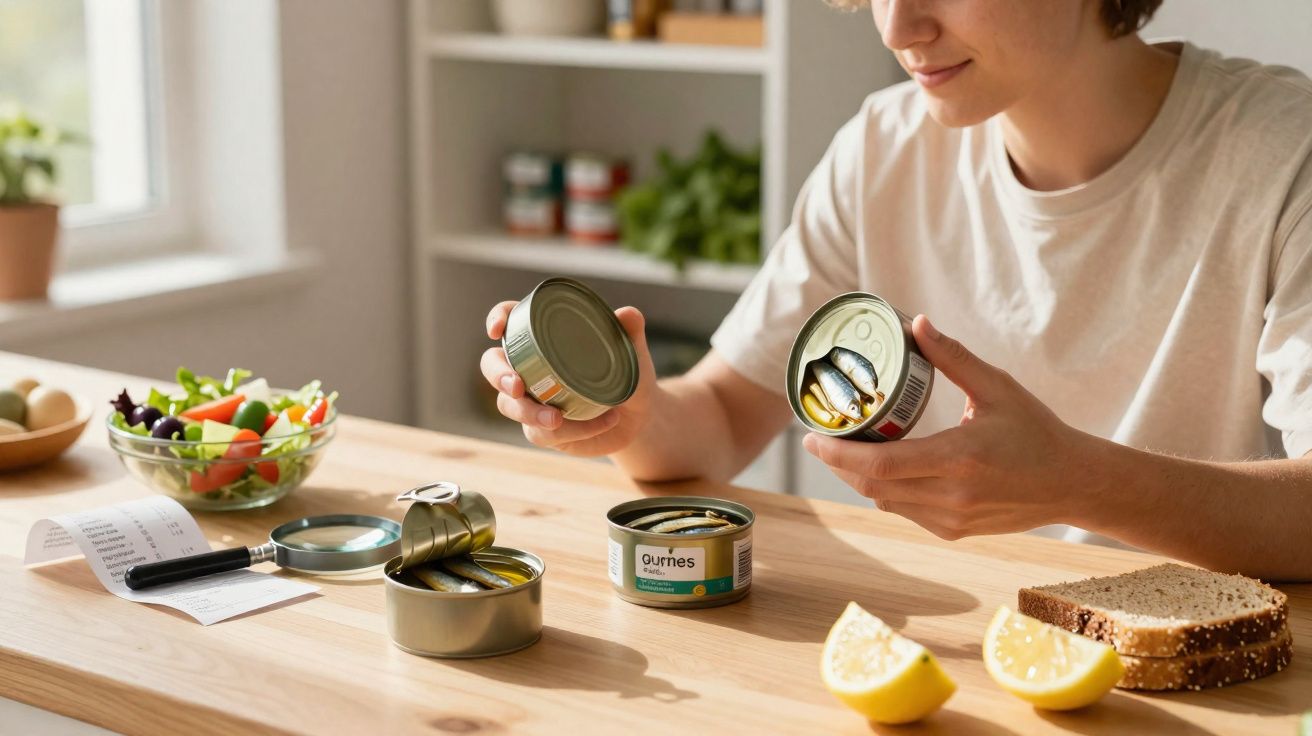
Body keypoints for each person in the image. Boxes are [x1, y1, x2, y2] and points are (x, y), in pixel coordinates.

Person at [482, 0, 1312, 582]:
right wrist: (633, 416)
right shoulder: (881, 148)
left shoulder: (1282, 157)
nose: (899, 27)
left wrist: (1078, 482)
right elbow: (724, 419)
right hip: (949, 659)